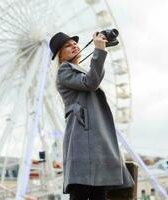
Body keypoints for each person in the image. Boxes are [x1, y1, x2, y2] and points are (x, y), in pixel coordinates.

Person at [49, 32, 134, 200]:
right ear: (60, 55)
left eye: (74, 43)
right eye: (67, 45)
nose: (73, 45)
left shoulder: (77, 71)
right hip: (83, 139)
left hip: (93, 140)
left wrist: (100, 49)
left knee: (98, 192)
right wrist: (99, 50)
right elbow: (91, 82)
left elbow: (92, 78)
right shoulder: (64, 70)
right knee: (81, 190)